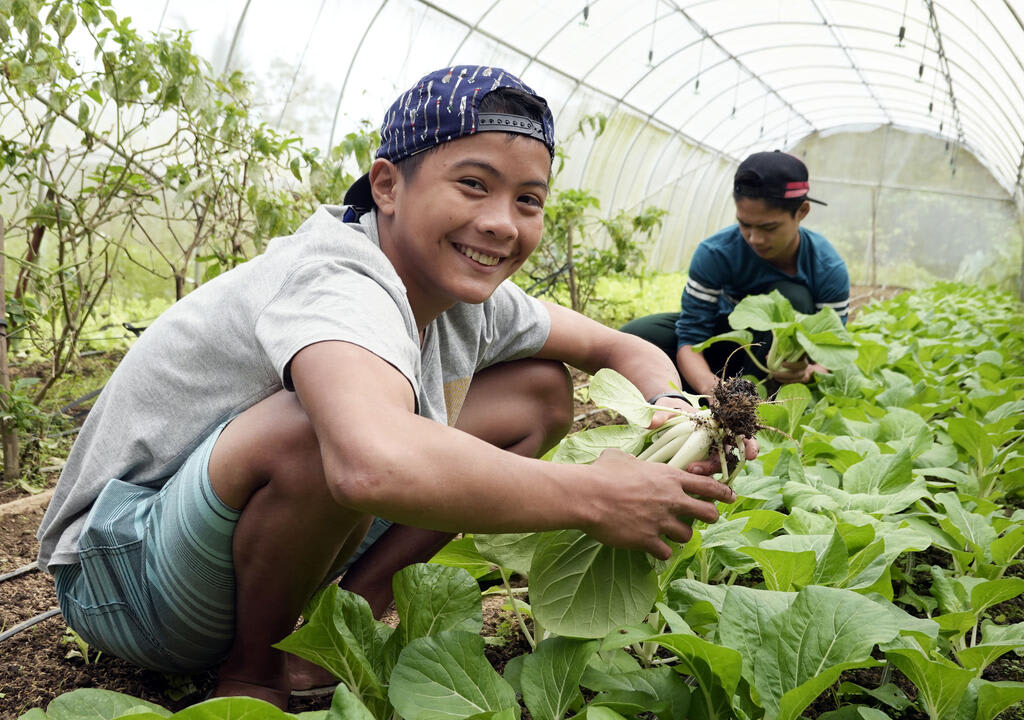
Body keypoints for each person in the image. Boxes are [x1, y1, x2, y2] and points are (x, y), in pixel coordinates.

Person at [35, 65, 753, 710]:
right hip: (125, 582)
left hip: (222, 550)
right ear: (387, 186)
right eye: (472, 184)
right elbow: (368, 460)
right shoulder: (336, 280)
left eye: (528, 199)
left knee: (538, 391)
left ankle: (347, 614)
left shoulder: (470, 294)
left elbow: (614, 344)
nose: (501, 222)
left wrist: (685, 412)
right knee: (320, 429)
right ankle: (253, 674)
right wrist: (597, 496)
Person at [620, 150, 850, 397]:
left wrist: (807, 372)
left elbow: (831, 353)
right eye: (745, 224)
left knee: (792, 296)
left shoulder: (827, 268)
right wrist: (712, 388)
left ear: (802, 212)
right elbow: (691, 338)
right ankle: (687, 400)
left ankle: (762, 404)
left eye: (768, 227)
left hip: (779, 365)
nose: (755, 238)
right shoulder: (716, 253)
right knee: (631, 340)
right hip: (723, 342)